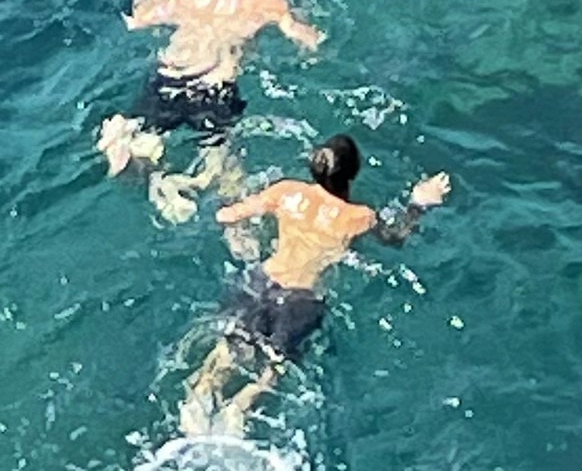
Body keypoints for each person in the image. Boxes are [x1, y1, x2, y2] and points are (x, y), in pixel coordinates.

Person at [182, 133, 449, 437]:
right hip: (300, 300)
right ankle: (241, 406)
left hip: (259, 280)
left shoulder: (286, 191)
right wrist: (419, 203)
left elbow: (226, 215)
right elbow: (396, 237)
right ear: (353, 172)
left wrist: (241, 233)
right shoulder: (358, 216)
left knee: (230, 348)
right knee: (275, 366)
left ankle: (198, 397)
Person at [98, 0, 323, 221]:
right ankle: (238, 236)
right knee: (227, 174)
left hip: (168, 81)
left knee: (135, 136)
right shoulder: (269, 3)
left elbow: (140, 20)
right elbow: (306, 40)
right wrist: (313, 35)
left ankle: (147, 170)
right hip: (214, 92)